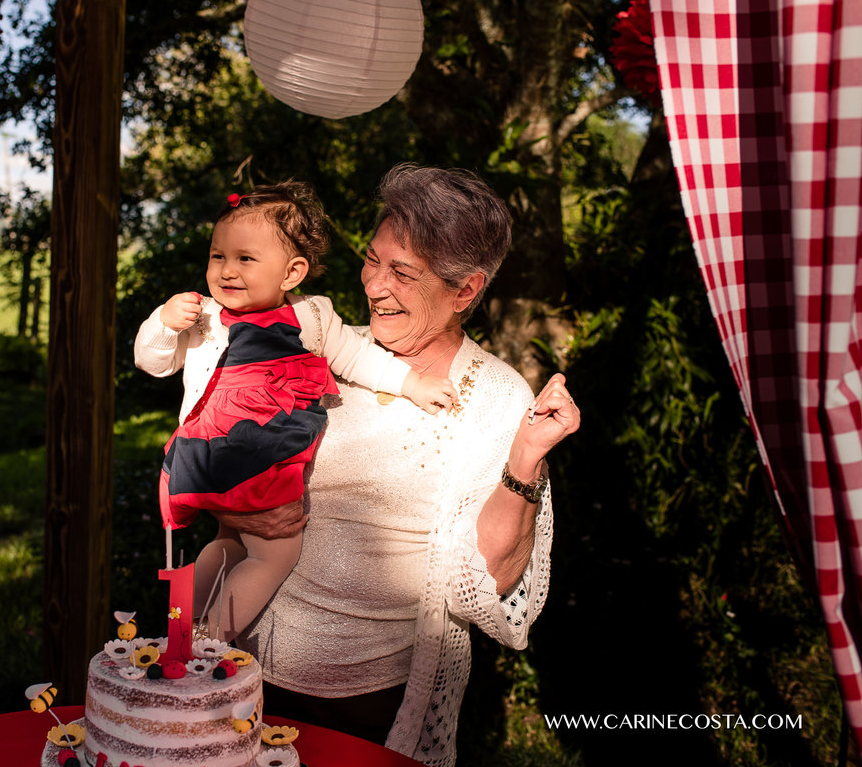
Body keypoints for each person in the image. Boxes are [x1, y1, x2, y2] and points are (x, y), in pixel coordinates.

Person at [220, 164, 580, 767]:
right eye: (371, 260)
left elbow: (482, 581)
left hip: (376, 700)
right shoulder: (326, 345)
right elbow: (236, 486)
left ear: (465, 290)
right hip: (250, 667)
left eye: (403, 274)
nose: (374, 286)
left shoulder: (495, 395)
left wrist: (524, 465)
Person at [134, 181, 457, 642]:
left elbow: (359, 358)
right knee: (273, 555)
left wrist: (412, 383)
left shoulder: (314, 317)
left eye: (245, 259)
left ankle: (176, 632)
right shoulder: (204, 317)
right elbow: (152, 361)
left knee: (225, 542)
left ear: (292, 273)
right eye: (217, 256)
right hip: (249, 459)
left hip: (211, 462)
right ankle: (206, 645)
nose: (226, 270)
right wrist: (163, 324)